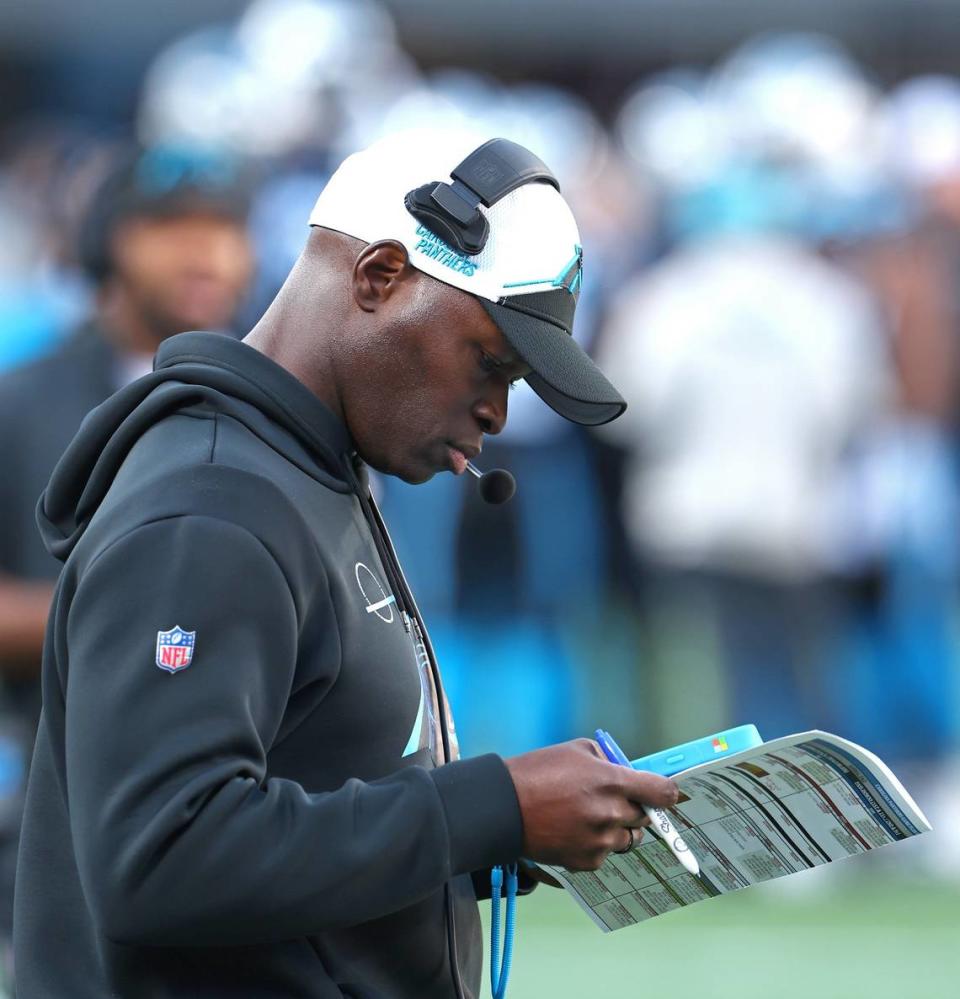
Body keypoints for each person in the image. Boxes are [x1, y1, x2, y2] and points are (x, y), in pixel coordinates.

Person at [13, 134, 679, 999]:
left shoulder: (310, 467)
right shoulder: (212, 506)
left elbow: (311, 796)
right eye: (490, 362)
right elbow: (163, 855)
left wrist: (497, 834)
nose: (497, 410)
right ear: (378, 277)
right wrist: (488, 806)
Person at [0, 145, 253, 988]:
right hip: (51, 810)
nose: (203, 253)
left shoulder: (276, 398)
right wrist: (148, 614)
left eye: (223, 228)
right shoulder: (23, 398)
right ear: (108, 243)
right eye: (169, 227)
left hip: (245, 821)